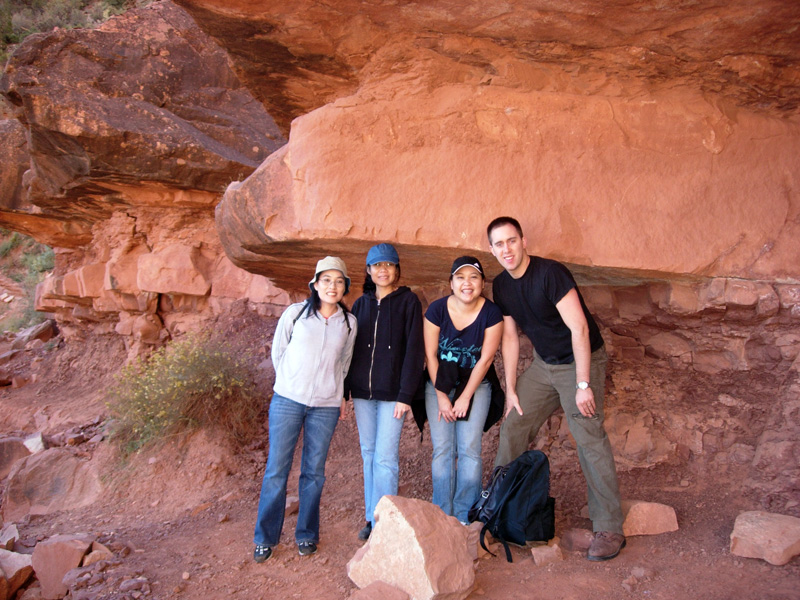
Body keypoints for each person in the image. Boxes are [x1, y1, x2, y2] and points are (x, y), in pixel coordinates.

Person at [487, 216, 625, 561]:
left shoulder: (550, 274)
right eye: (499, 244)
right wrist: (513, 389)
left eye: (511, 241)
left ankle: (609, 526)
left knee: (588, 434)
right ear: (492, 249)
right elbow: (510, 336)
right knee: (515, 424)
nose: (507, 249)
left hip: (581, 361)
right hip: (544, 366)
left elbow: (579, 328)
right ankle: (497, 511)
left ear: (524, 241)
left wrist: (583, 384)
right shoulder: (501, 286)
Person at [253, 256, 357, 563]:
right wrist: (289, 382)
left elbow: (344, 363)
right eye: (326, 280)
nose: (332, 286)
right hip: (287, 401)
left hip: (324, 406)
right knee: (276, 470)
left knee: (314, 472)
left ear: (345, 287)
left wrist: (337, 395)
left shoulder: (348, 323)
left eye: (339, 281)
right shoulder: (295, 314)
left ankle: (307, 534)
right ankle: (265, 537)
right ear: (314, 283)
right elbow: (278, 351)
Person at [345, 243, 425, 541]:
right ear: (368, 270)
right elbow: (348, 351)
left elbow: (414, 351)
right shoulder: (361, 305)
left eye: (389, 265)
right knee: (368, 454)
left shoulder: (409, 302)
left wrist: (406, 395)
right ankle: (372, 517)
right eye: (377, 265)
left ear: (397, 270)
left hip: (393, 394)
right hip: (363, 394)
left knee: (385, 457)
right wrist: (346, 391)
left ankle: (386, 521)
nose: (383, 270)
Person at [423, 256, 504, 524]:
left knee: (469, 448)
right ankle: (441, 513)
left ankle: (463, 514)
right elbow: (431, 355)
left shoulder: (491, 313)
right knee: (443, 449)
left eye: (473, 277)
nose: (467, 284)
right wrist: (442, 396)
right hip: (440, 384)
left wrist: (466, 397)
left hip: (476, 385)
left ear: (482, 283)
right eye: (460, 277)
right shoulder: (436, 310)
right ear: (451, 282)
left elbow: (486, 359)